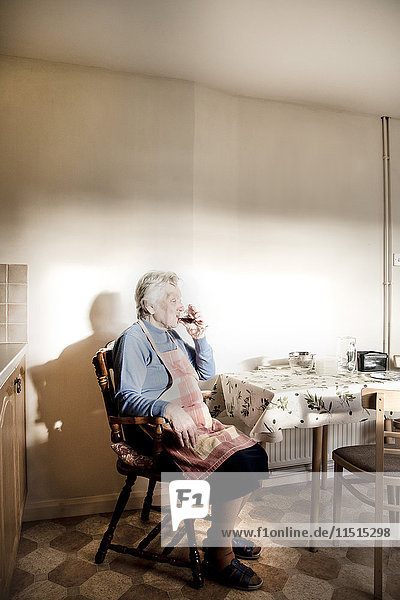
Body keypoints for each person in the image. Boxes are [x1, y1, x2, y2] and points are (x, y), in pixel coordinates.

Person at [113, 271, 268, 591]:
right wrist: (167, 409)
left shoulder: (170, 335)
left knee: (254, 454)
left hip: (194, 422)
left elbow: (206, 373)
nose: (180, 304)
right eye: (172, 299)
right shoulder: (134, 339)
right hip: (158, 432)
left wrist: (199, 336)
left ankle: (219, 532)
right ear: (149, 305)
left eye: (178, 298)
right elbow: (125, 397)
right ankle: (219, 555)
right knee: (238, 464)